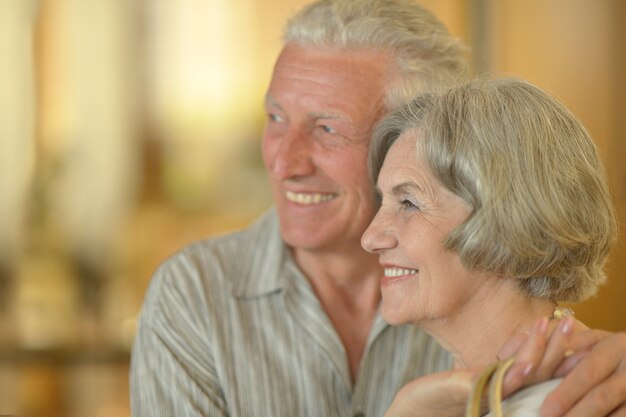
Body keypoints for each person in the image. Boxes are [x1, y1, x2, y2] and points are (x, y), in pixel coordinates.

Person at [130, 1, 626, 416]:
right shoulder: (194, 296)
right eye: (275, 117)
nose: (281, 162)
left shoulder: (563, 366)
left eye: (328, 128)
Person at [361, 77, 618, 416]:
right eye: (383, 201)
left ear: (509, 220)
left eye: (408, 202)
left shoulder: (570, 404)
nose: (370, 238)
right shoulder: (449, 398)